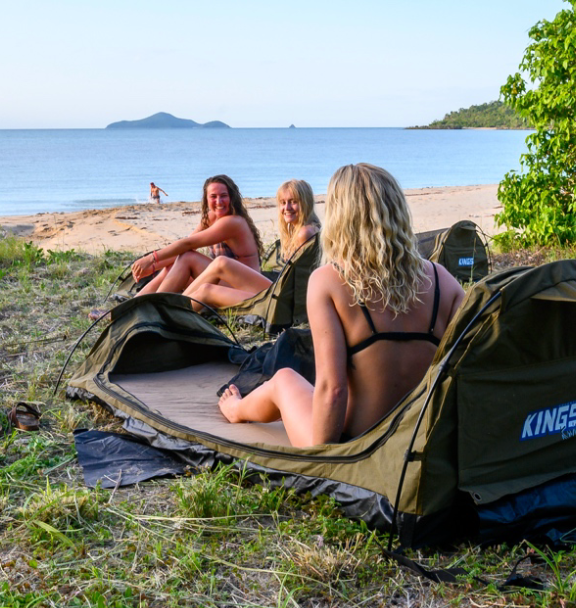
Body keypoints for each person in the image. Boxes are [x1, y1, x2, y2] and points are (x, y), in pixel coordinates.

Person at [218, 163, 465, 447]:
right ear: (397, 210)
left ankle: (236, 409)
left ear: (339, 215)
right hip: (417, 438)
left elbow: (333, 389)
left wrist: (328, 460)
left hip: (354, 442)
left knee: (284, 379)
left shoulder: (329, 281)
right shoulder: (442, 279)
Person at [182, 179, 320, 311]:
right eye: (283, 203)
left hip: (282, 305)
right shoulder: (310, 228)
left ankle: (171, 314)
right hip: (285, 298)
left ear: (305, 202)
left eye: (293, 202)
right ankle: (172, 309)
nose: (286, 208)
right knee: (210, 280)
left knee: (211, 282)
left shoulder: (305, 233)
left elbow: (296, 284)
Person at [131, 174, 264, 296]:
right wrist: (154, 267)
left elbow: (188, 244)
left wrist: (151, 259)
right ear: (206, 199)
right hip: (225, 278)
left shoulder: (232, 222)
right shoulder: (211, 217)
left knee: (188, 258)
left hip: (245, 286)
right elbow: (187, 247)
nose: (219, 201)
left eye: (223, 195)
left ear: (231, 197)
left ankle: (156, 308)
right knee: (172, 267)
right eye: (213, 196)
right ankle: (136, 305)